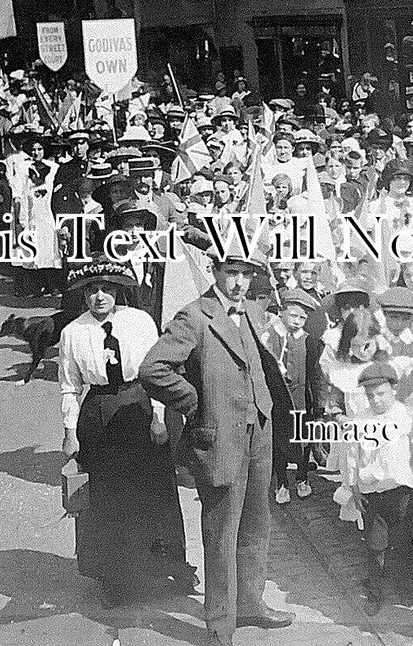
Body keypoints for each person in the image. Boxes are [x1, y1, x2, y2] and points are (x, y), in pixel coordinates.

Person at [139, 254, 296, 644]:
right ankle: (219, 624)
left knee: (256, 523)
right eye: (232, 274)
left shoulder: (255, 313)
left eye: (247, 275)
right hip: (221, 438)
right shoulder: (194, 317)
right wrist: (196, 403)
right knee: (222, 532)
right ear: (215, 274)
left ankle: (251, 604)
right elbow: (153, 369)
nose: (239, 283)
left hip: (259, 432)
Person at [58, 260, 192, 607]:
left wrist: (159, 418)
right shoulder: (73, 332)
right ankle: (115, 578)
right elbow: (70, 387)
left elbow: (157, 372)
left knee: (155, 487)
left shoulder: (138, 321)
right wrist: (71, 431)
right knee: (108, 496)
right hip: (99, 415)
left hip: (140, 405)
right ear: (83, 295)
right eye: (91, 291)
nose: (99, 297)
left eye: (106, 289)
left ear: (117, 291)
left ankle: (169, 566)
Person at [343, 361, 413, 615]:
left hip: (401, 490)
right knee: (375, 544)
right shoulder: (359, 421)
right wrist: (354, 488)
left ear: (393, 391)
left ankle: (403, 583)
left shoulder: (406, 416)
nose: (376, 400)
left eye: (381, 393)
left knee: (402, 540)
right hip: (372, 493)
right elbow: (352, 456)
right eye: (370, 395)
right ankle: (375, 591)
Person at [262, 288, 327, 504]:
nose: (298, 321)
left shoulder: (310, 342)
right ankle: (281, 482)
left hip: (302, 401)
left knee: (303, 442)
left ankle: (301, 477)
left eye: (302, 317)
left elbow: (316, 376)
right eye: (293, 315)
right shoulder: (269, 336)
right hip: (278, 402)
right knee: (279, 442)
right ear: (282, 312)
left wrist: (319, 405)